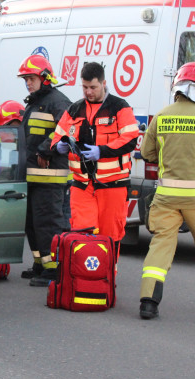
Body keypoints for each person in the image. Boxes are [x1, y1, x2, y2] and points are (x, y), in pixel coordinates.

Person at [137, 62, 195, 319]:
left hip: (166, 198)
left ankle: (148, 302)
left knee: (160, 246)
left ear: (177, 88)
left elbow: (146, 153)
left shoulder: (161, 116)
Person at [52, 62, 139, 259]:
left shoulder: (119, 107)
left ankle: (108, 274)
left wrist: (102, 151)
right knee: (82, 235)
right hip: (82, 185)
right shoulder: (74, 109)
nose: (88, 92)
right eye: (84, 87)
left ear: (103, 83)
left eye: (93, 87)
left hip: (113, 185)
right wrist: (59, 146)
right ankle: (83, 274)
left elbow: (130, 139)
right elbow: (57, 137)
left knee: (110, 236)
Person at [14, 55, 74, 287]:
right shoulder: (36, 102)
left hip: (50, 178)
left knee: (48, 223)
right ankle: (40, 264)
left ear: (45, 78)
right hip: (33, 177)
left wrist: (45, 149)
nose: (28, 83)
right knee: (33, 224)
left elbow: (65, 131)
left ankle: (53, 270)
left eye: (31, 78)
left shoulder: (58, 102)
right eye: (25, 79)